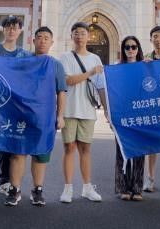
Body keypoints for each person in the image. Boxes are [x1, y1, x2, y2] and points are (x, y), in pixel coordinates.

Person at [3, 26, 67, 207]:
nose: (42, 41)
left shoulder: (56, 65)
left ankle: (37, 190)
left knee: (40, 155)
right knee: (18, 153)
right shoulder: (22, 61)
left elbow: (61, 92)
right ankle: (14, 190)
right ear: (33, 40)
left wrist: (60, 116)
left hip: (44, 117)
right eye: (39, 37)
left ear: (52, 42)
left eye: (46, 38)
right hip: (21, 114)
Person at [58, 22, 107, 203]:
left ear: (88, 36)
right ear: (71, 36)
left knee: (85, 149)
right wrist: (90, 72)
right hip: (69, 109)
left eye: (83, 33)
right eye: (76, 33)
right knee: (69, 148)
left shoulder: (95, 58)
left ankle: (87, 188)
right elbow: (67, 81)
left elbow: (101, 86)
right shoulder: (65, 58)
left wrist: (106, 109)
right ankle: (68, 188)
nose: (79, 36)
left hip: (88, 110)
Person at [0, 16, 31, 199]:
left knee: (12, 140)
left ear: (20, 31)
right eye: (8, 27)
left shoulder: (25, 55)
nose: (11, 31)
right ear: (3, 30)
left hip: (17, 105)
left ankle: (7, 181)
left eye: (15, 28)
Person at [114, 36, 146, 201]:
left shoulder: (145, 67)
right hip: (123, 116)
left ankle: (137, 188)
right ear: (123, 50)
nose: (131, 50)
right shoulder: (117, 69)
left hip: (140, 115)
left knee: (139, 153)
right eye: (127, 47)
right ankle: (123, 187)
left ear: (138, 49)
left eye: (134, 47)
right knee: (122, 152)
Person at [143, 25, 160, 192]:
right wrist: (143, 67)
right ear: (151, 39)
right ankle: (150, 178)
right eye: (155, 36)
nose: (158, 39)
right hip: (152, 108)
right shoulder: (145, 59)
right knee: (151, 145)